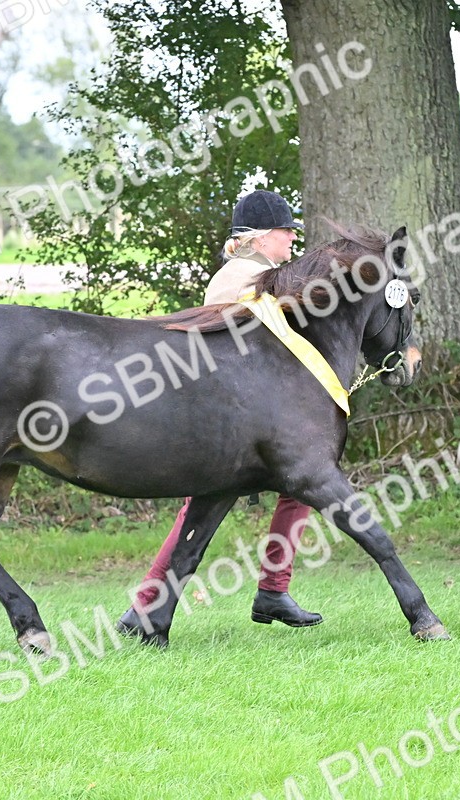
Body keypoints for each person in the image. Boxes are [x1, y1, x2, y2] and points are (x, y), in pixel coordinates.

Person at [116, 189, 322, 636]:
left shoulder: (252, 272)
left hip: (235, 413)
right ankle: (264, 590)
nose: (291, 240)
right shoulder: (251, 277)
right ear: (265, 237)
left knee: (294, 489)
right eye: (287, 232)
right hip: (231, 418)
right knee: (205, 507)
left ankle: (267, 590)